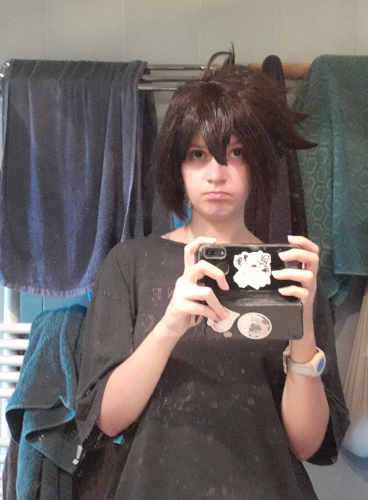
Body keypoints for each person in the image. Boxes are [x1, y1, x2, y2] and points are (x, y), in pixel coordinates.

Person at [74, 63, 350, 500]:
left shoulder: (291, 274)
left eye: (236, 153)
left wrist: (302, 332)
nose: (216, 173)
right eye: (197, 155)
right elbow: (107, 420)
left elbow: (306, 444)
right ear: (178, 166)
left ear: (258, 164)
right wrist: (169, 325)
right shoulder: (131, 263)